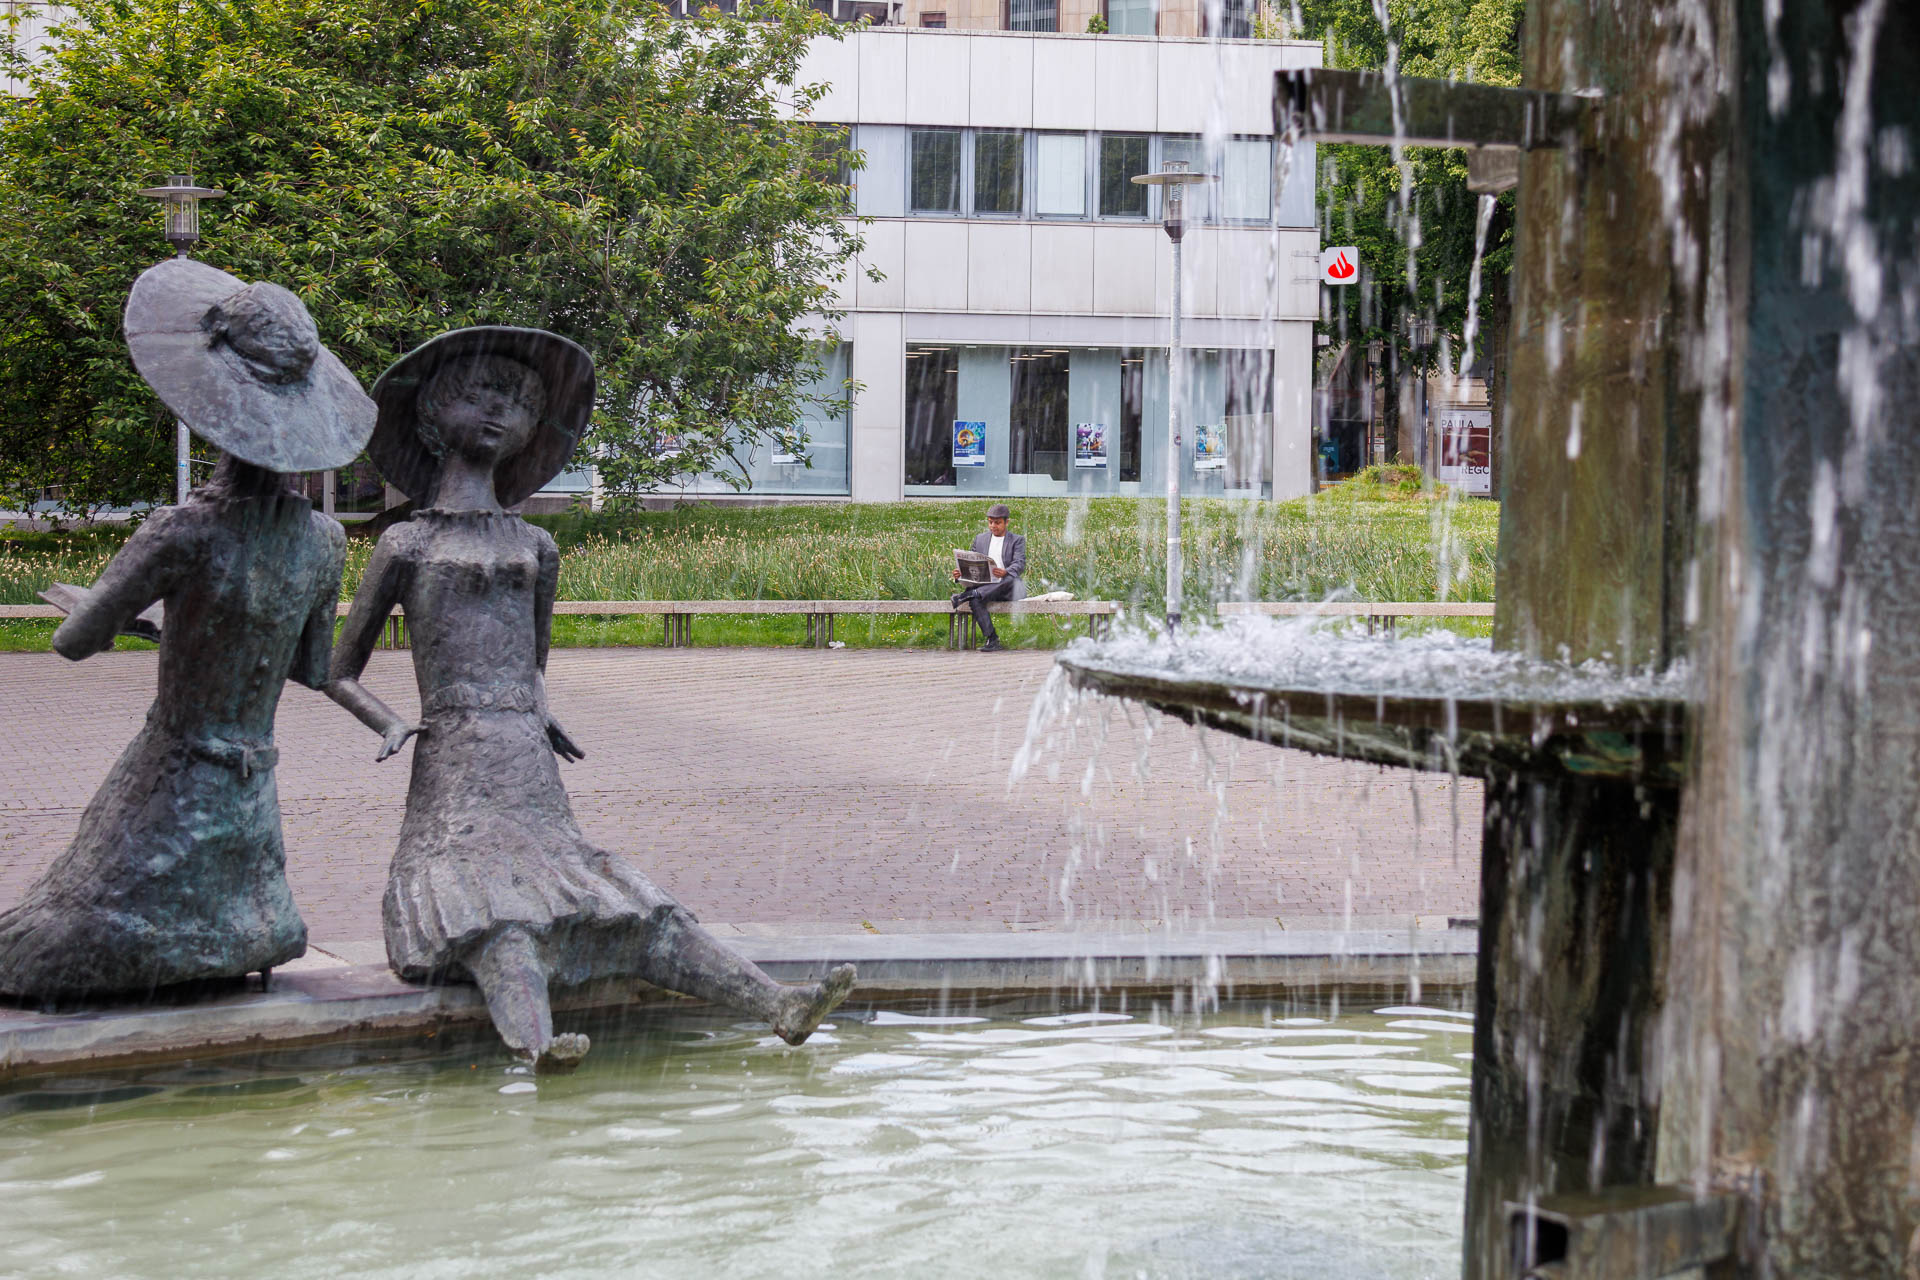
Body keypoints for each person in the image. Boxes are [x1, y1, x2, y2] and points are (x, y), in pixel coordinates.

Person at [323, 327, 854, 1073]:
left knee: (635, 912)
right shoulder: (406, 545)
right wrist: (389, 720)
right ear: (433, 413)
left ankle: (780, 1006)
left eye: (515, 405)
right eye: (479, 396)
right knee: (496, 919)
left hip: (528, 765)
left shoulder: (537, 547)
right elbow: (339, 667)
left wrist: (542, 708)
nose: (497, 414)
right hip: (454, 762)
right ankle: (536, 1044)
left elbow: (534, 663)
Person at [0, 259, 375, 999]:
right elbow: (310, 666)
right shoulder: (324, 540)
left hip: (171, 791)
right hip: (250, 803)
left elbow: (73, 643)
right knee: (253, 934)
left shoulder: (182, 531)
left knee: (41, 954)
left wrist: (110, 617)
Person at [950, 502, 1026, 652]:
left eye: (997, 523)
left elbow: (1019, 563)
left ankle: (969, 594)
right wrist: (960, 574)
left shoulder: (1017, 540)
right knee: (975, 599)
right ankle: (992, 639)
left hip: (1009, 589)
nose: (993, 526)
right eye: (990, 522)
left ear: (1007, 522)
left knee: (1011, 579)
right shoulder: (980, 539)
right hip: (986, 587)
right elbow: (971, 562)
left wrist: (1005, 572)